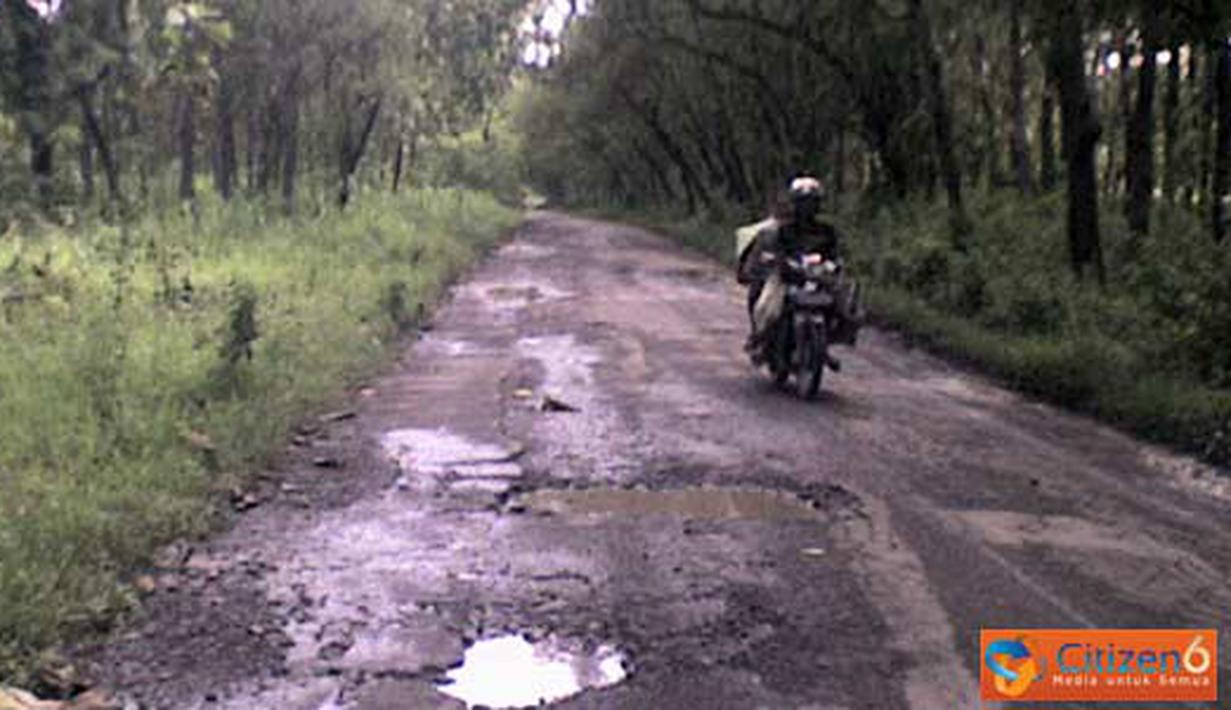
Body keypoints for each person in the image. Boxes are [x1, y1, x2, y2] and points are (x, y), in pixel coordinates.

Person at [736, 175, 862, 362]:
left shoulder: (826, 231)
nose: (807, 208)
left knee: (848, 307)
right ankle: (761, 340)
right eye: (803, 203)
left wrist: (836, 264)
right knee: (766, 308)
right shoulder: (783, 230)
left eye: (812, 203)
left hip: (820, 277)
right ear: (795, 204)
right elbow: (774, 251)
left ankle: (832, 339)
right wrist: (776, 261)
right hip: (788, 276)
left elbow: (836, 254)